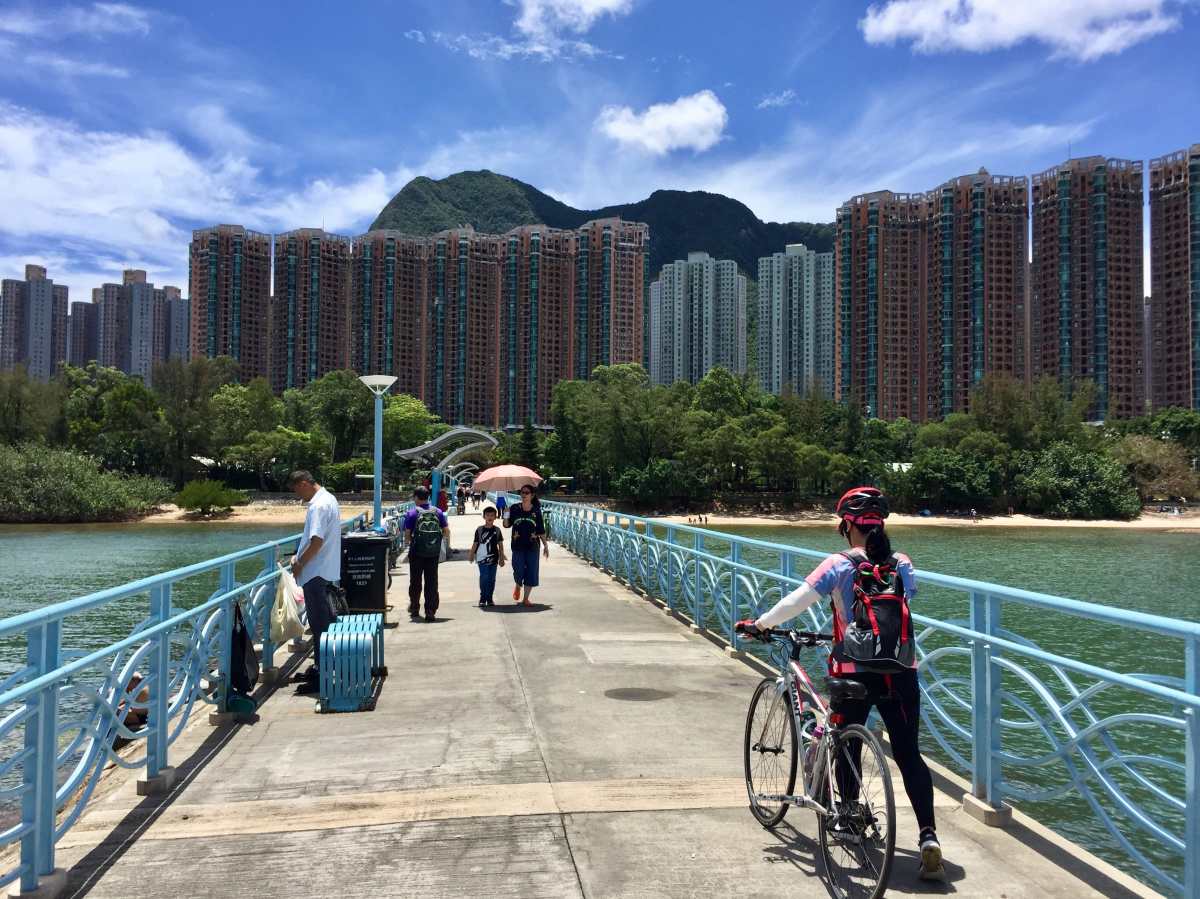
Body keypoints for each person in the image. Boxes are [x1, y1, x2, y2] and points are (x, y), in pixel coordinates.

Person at [737, 486, 945, 881]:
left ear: (848, 525)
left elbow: (797, 601)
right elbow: (907, 600)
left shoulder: (838, 563)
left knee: (845, 741)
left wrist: (761, 624)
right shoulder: (902, 563)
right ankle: (928, 837)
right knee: (908, 754)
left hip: (852, 671)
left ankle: (847, 818)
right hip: (901, 672)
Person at [288, 471, 341, 692]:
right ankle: (322, 668)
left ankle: (323, 675)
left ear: (304, 484)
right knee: (324, 624)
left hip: (315, 573)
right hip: (326, 571)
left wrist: (299, 562)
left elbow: (316, 541)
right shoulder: (329, 499)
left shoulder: (318, 506)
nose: (298, 496)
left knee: (320, 626)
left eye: (297, 490)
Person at [402, 486, 450, 622]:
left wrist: (412, 543)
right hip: (433, 553)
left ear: (416, 497)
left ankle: (415, 608)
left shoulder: (412, 513)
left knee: (415, 581)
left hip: (416, 552)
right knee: (432, 582)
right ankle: (430, 611)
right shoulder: (438, 512)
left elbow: (407, 535)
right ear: (428, 497)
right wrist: (437, 542)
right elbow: (446, 531)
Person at [503, 484, 548, 605]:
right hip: (517, 545)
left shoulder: (536, 511)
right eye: (522, 492)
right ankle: (518, 584)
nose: (523, 495)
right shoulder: (514, 508)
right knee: (518, 569)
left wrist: (545, 545)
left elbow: (541, 530)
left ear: (532, 495)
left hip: (533, 546)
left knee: (531, 571)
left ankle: (526, 598)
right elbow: (506, 525)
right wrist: (506, 514)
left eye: (526, 492)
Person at [468, 506, 507, 607]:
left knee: (492, 578)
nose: (489, 517)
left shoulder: (497, 530)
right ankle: (482, 598)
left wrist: (502, 558)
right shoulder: (479, 530)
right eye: (487, 515)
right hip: (482, 558)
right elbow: (475, 543)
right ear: (484, 516)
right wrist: (471, 554)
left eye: (492, 515)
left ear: (495, 517)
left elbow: (501, 546)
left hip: (494, 558)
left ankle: (489, 598)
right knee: (484, 577)